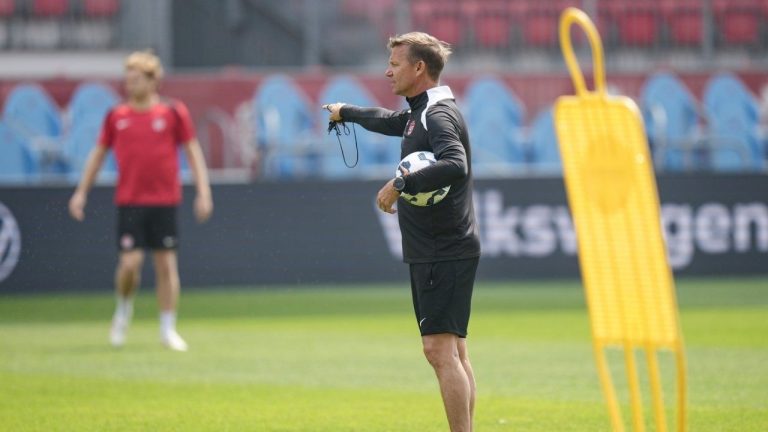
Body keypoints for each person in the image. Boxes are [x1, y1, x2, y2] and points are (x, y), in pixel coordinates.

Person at [323, 32, 481, 432]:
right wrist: (347, 112)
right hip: (442, 247)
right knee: (454, 352)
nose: (387, 70)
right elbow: (393, 121)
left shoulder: (437, 114)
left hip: (441, 248)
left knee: (439, 351)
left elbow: (454, 164)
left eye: (395, 63)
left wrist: (401, 184)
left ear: (419, 68)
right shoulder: (423, 110)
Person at [68, 51, 213, 352]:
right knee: (130, 264)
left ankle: (167, 329)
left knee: (166, 265)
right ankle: (123, 309)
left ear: (153, 80)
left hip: (165, 201)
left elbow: (192, 151)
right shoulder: (116, 116)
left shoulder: (173, 113)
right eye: (127, 79)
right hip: (130, 202)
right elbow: (98, 155)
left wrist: (203, 191)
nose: (130, 84)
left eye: (136, 79)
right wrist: (82, 191)